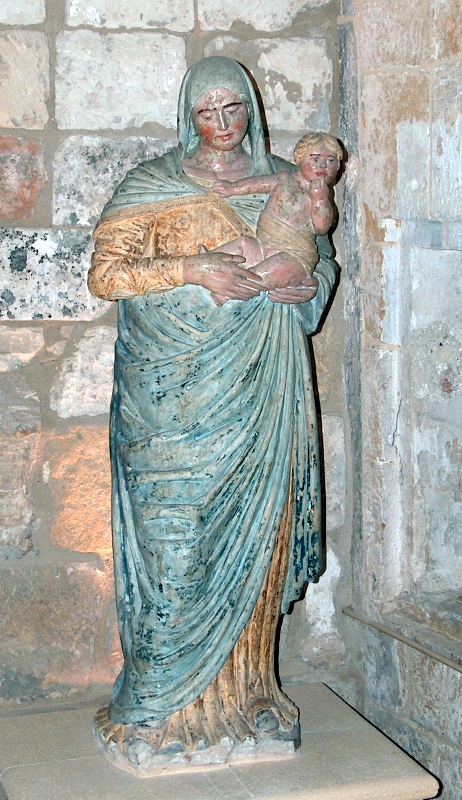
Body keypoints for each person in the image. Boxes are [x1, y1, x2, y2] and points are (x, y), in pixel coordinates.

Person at [88, 56, 339, 770]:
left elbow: (316, 257)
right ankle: (157, 702)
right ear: (187, 114)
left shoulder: (286, 179)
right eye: (209, 112)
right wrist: (194, 268)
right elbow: (106, 274)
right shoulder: (151, 185)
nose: (223, 126)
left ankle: (249, 693)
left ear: (252, 111)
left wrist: (308, 284)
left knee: (257, 536)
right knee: (177, 542)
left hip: (261, 384)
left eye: (235, 111)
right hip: (171, 398)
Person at [208, 132, 342, 305]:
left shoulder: (322, 197)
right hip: (264, 246)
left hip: (295, 257)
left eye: (331, 161)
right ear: (299, 158)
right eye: (315, 159)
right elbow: (257, 184)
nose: (323, 165)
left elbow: (321, 228)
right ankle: (210, 260)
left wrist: (320, 199)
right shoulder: (284, 178)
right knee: (242, 243)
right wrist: (232, 188)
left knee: (258, 275)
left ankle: (230, 291)